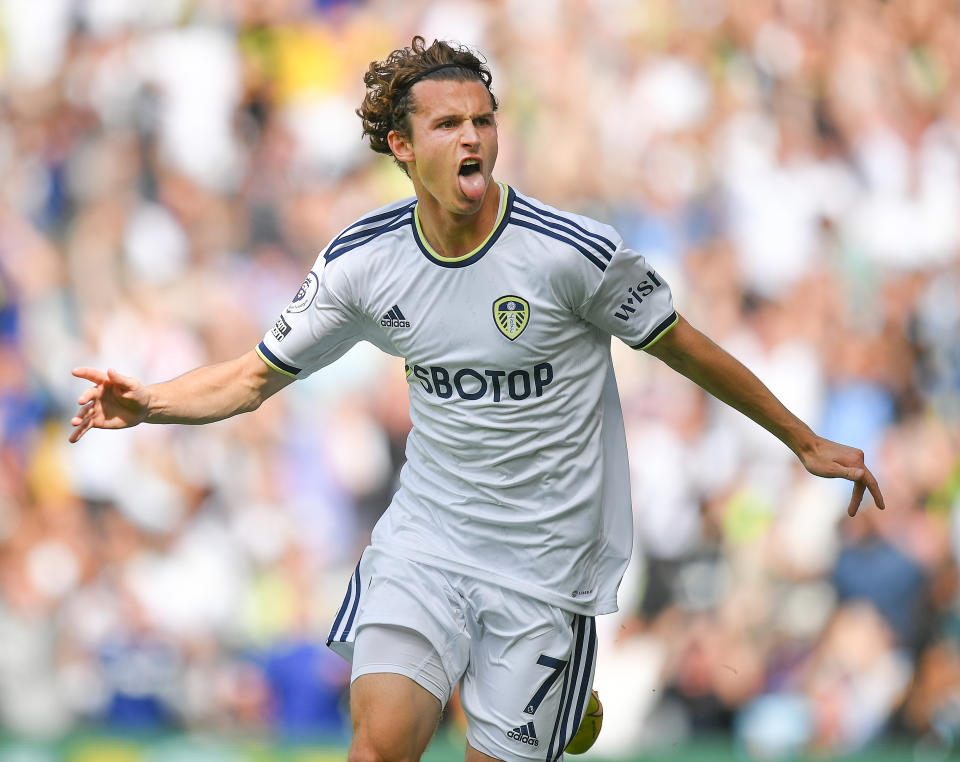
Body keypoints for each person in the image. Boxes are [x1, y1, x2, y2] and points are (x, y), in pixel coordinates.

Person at [70, 37, 885, 762]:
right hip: (428, 540)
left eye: (484, 121)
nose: (472, 137)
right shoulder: (364, 262)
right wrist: (150, 405)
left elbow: (686, 345)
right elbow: (253, 376)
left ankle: (562, 696)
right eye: (448, 124)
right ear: (401, 146)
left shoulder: (571, 254)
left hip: (546, 565)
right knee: (378, 746)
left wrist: (801, 439)